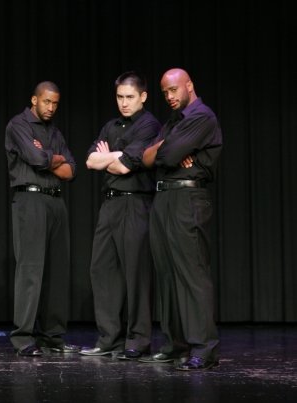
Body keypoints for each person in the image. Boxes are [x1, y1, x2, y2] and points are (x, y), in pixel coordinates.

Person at [139, 68, 222, 371]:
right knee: (166, 274)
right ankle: (176, 345)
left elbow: (169, 155)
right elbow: (147, 158)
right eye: (165, 93)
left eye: (173, 90)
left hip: (188, 198)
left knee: (191, 273)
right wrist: (167, 147)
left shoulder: (202, 117)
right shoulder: (173, 122)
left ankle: (204, 348)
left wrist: (167, 148)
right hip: (164, 198)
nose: (169, 97)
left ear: (189, 85)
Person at [79, 71, 161, 360]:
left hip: (136, 203)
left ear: (143, 96)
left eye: (129, 97)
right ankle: (109, 339)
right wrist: (116, 155)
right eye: (119, 97)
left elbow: (126, 165)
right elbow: (90, 161)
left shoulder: (149, 125)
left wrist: (113, 156)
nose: (124, 103)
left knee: (136, 272)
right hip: (110, 204)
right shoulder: (110, 126)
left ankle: (137, 341)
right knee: (101, 269)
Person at [5, 81, 79, 357]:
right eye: (47, 102)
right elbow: (36, 159)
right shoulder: (19, 125)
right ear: (34, 100)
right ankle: (23, 338)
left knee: (57, 271)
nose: (51, 108)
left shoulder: (55, 132)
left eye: (55, 103)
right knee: (31, 270)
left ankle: (52, 337)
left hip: (55, 201)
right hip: (30, 199)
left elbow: (71, 170)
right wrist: (52, 158)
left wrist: (49, 158)